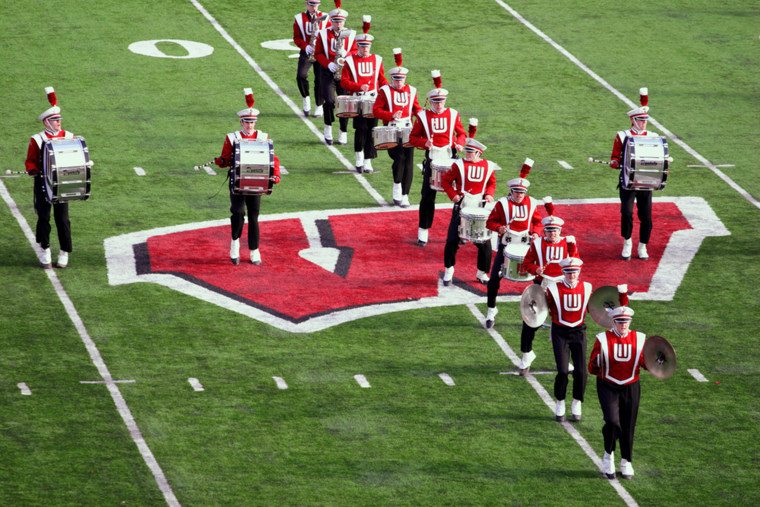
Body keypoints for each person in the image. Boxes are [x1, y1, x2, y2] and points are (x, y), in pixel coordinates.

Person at [214, 88, 281, 265]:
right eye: (246, 122)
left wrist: (275, 176)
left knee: (253, 216)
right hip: (237, 181)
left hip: (256, 181)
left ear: (255, 122)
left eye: (252, 122)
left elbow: (272, 159)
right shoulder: (232, 137)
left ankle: (254, 250)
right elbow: (226, 159)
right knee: (237, 212)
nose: (249, 126)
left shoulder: (263, 137)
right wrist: (221, 161)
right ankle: (235, 243)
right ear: (241, 122)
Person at [588, 285, 647, 479]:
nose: (624, 325)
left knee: (629, 424)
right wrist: (597, 361)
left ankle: (626, 461)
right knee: (613, 422)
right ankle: (608, 454)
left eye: (626, 321)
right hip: (608, 385)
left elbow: (646, 363)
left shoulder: (639, 338)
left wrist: (657, 360)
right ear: (613, 322)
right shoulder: (602, 339)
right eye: (620, 321)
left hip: (631, 385)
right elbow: (591, 367)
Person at [517, 200, 579, 374]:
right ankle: (527, 354)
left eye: (556, 231)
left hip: (563, 289)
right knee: (530, 322)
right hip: (541, 287)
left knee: (565, 326)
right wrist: (536, 269)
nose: (553, 234)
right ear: (545, 231)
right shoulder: (537, 244)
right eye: (549, 231)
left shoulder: (569, 243)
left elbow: (577, 264)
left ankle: (564, 360)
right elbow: (527, 262)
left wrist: (572, 254)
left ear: (560, 231)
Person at [407, 70, 466, 246]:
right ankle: (423, 231)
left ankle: (461, 230)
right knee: (427, 196)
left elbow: (461, 133)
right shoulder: (422, 116)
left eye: (441, 102)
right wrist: (424, 143)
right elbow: (412, 138)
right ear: (430, 101)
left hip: (452, 160)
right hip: (432, 160)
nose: (439, 105)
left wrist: (460, 143)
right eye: (435, 102)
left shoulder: (453, 114)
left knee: (459, 196)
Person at [483, 159, 543, 328]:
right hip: (506, 247)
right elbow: (490, 222)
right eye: (516, 192)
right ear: (511, 191)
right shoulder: (502, 204)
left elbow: (538, 222)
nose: (519, 195)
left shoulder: (531, 203)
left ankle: (537, 310)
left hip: (527, 248)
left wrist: (537, 233)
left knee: (538, 278)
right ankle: (491, 310)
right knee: (494, 279)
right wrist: (499, 228)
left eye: (521, 192)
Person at [440, 119, 496, 286]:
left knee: (484, 243)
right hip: (462, 207)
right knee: (451, 240)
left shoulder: (488, 166)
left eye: (471, 152)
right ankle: (449, 270)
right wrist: (454, 195)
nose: (467, 154)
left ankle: (482, 272)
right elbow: (445, 182)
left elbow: (491, 183)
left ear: (479, 154)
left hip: (480, 208)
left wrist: (489, 194)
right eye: (467, 151)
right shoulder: (458, 165)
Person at [25, 87, 75, 269]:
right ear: (47, 122)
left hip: (62, 182)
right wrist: (32, 170)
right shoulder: (37, 139)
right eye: (55, 120)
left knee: (62, 219)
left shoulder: (69, 136)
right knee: (44, 217)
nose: (58, 123)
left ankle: (64, 251)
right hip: (43, 182)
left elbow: (75, 156)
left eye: (59, 119)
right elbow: (30, 160)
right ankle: (44, 248)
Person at [610, 87, 658, 261]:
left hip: (646, 181)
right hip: (628, 182)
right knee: (626, 213)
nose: (644, 123)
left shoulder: (653, 136)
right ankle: (627, 242)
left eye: (645, 120)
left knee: (646, 216)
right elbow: (615, 157)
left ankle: (643, 245)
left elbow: (658, 157)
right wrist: (615, 163)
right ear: (633, 120)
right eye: (641, 120)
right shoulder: (622, 135)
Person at [372, 48, 422, 207]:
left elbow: (416, 109)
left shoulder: (412, 90)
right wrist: (391, 115)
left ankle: (405, 195)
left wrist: (423, 117)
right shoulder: (384, 91)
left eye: (401, 79)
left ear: (405, 79)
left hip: (408, 130)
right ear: (391, 79)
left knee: (409, 162)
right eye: (396, 79)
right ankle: (397, 185)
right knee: (399, 158)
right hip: (391, 131)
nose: (398, 82)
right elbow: (376, 111)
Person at [545, 257, 592, 423]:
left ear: (579, 272)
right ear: (563, 272)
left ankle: (577, 402)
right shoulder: (552, 289)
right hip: (560, 332)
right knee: (563, 371)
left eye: (574, 272)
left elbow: (595, 307)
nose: (572, 275)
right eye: (568, 272)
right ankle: (560, 401)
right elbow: (542, 306)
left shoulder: (587, 288)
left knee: (581, 371)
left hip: (579, 332)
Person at [340, 16, 388, 173]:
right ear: (358, 46)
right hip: (358, 100)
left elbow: (381, 79)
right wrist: (358, 86)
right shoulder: (350, 60)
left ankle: (368, 160)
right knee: (360, 129)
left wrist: (388, 93)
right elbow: (344, 82)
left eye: (367, 46)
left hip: (374, 100)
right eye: (362, 46)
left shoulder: (377, 60)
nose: (365, 49)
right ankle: (359, 157)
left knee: (372, 129)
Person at [313, 0, 356, 146]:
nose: (338, 24)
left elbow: (356, 51)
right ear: (331, 21)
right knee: (329, 100)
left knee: (344, 104)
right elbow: (317, 53)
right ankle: (328, 127)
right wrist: (328, 63)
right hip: (328, 73)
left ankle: (343, 131)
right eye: (336, 21)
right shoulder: (323, 34)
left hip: (345, 74)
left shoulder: (351, 34)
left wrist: (347, 54)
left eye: (341, 22)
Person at [293, 0, 330, 118]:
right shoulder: (299, 18)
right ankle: (306, 98)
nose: (313, 7)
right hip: (307, 51)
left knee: (319, 79)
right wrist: (306, 46)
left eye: (315, 5)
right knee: (301, 75)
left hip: (320, 53)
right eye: (311, 4)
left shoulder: (325, 18)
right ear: (306, 4)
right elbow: (296, 37)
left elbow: (329, 35)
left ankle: (319, 105)